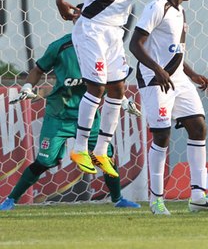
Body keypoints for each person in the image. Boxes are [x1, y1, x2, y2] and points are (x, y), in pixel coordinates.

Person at [54, 0, 181, 178]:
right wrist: (60, 1)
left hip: (115, 33)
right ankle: (79, 148)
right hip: (91, 28)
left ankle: (101, 150)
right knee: (97, 86)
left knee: (117, 89)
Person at [0, 22, 140, 211]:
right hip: (59, 114)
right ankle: (10, 200)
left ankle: (118, 199)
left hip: (89, 116)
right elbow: (37, 70)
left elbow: (112, 82)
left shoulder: (104, 47)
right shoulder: (60, 46)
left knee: (104, 156)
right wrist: (27, 87)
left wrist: (122, 100)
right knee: (44, 161)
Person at [129, 0, 208, 215]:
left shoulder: (181, 12)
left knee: (198, 127)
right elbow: (135, 44)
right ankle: (156, 199)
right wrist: (158, 69)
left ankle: (198, 196)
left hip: (179, 78)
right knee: (162, 136)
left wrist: (192, 74)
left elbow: (175, 50)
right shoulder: (157, 7)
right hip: (155, 79)